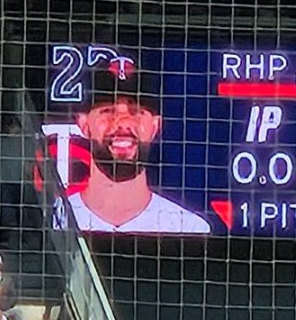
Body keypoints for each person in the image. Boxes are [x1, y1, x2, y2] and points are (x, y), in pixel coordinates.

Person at [51, 60, 211, 235]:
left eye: (136, 111)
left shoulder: (188, 229)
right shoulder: (53, 220)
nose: (123, 123)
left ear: (155, 126)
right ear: (84, 124)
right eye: (108, 110)